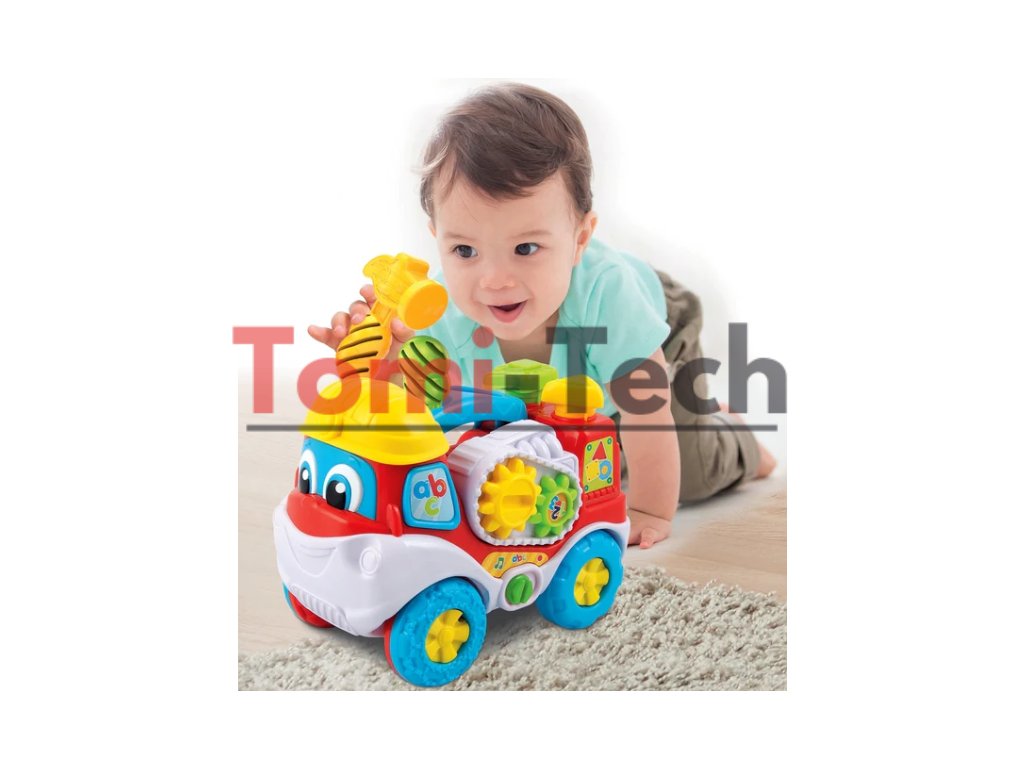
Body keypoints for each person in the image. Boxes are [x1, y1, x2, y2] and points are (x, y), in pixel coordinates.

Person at [309, 82, 776, 548]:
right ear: (437, 238)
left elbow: (645, 409)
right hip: (574, 391)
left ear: (579, 239)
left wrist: (648, 510)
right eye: (465, 250)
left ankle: (739, 442)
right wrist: (374, 363)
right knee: (574, 453)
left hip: (656, 337)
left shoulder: (608, 294)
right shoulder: (436, 310)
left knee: (687, 470)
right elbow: (414, 408)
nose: (494, 280)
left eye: (525, 248)